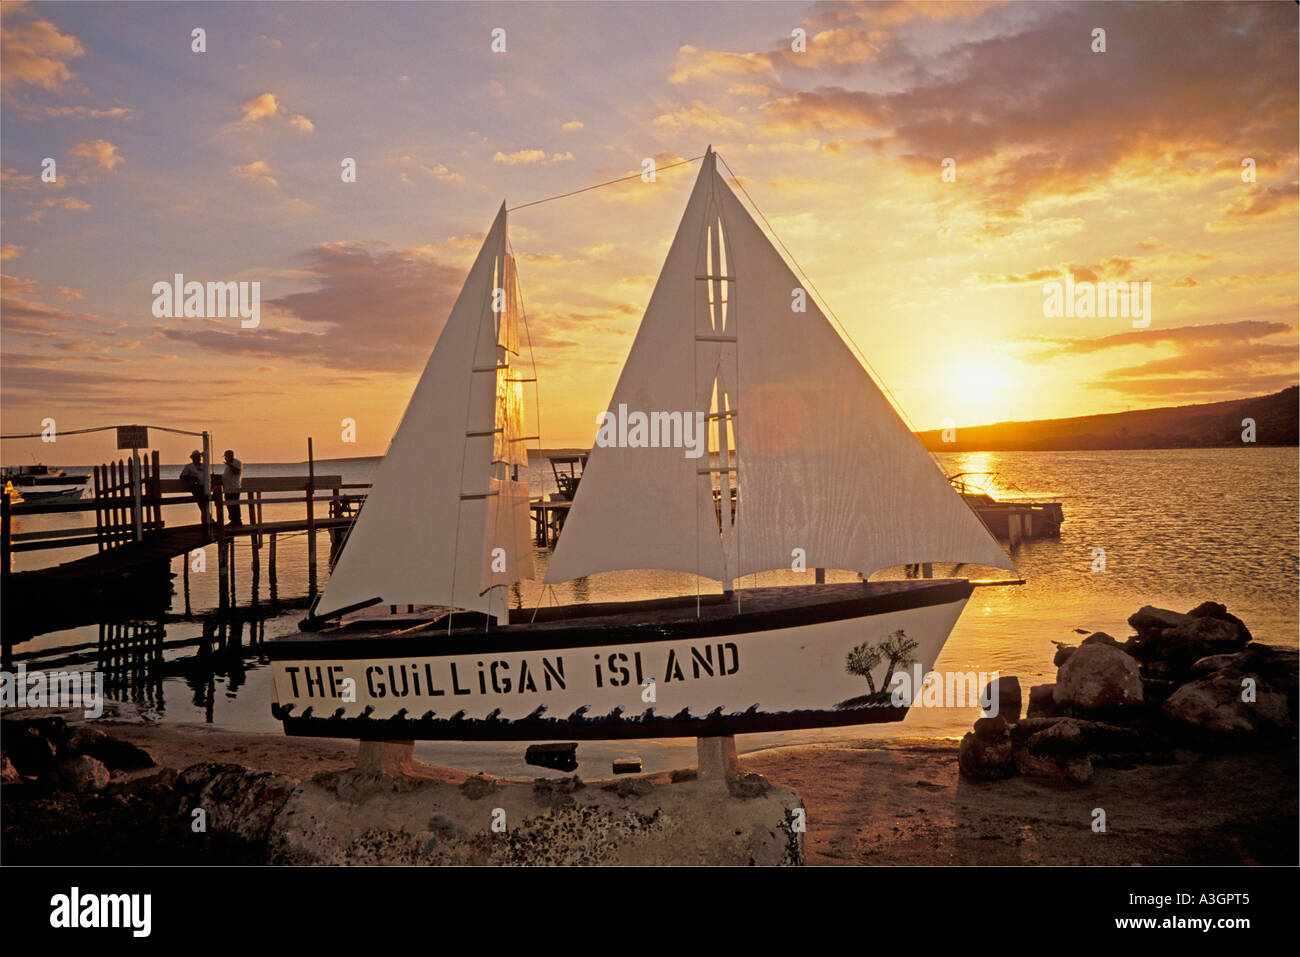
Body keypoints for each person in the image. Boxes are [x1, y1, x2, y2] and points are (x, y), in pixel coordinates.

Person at [179, 450, 210, 523]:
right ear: (192, 458)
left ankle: (207, 521)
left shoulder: (204, 465)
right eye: (196, 457)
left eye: (198, 457)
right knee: (202, 506)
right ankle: (207, 521)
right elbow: (182, 476)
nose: (198, 458)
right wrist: (192, 478)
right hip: (196, 488)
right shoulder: (189, 466)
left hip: (205, 487)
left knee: (205, 506)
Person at [222, 449, 243, 526]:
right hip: (227, 488)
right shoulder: (228, 465)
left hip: (234, 488)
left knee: (234, 505)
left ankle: (237, 521)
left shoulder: (236, 462)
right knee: (229, 505)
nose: (225, 458)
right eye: (225, 457)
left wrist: (229, 465)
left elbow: (236, 472)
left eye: (226, 456)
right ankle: (233, 520)